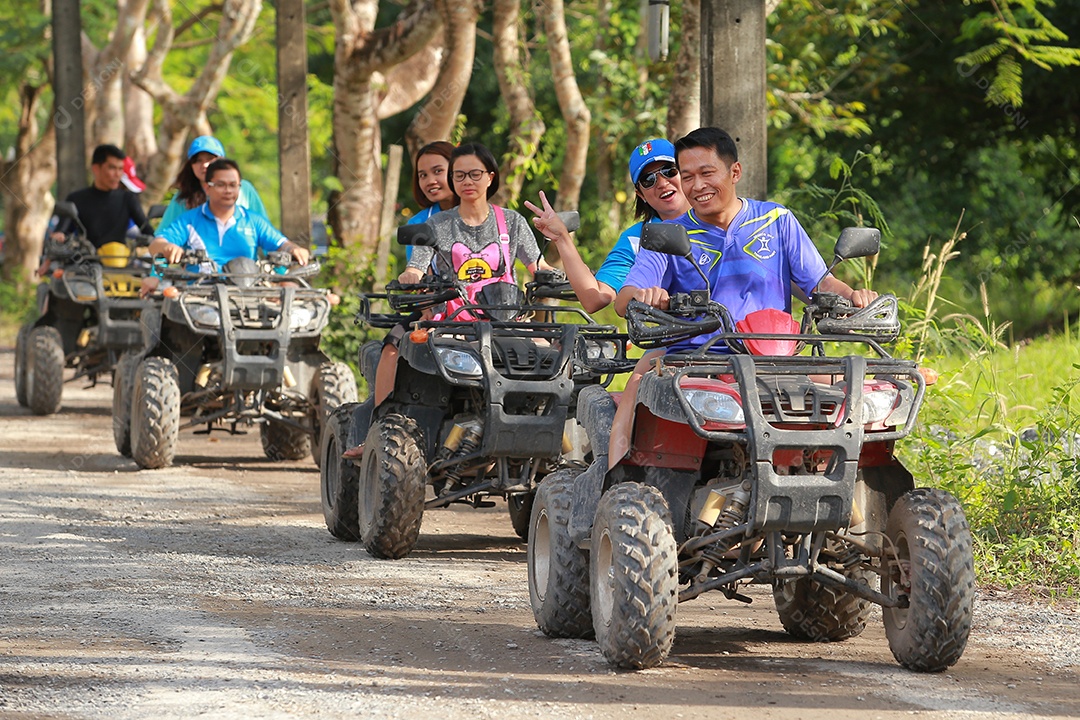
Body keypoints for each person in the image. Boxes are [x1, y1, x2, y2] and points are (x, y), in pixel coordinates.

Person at [606, 126, 878, 469]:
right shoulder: (668, 235)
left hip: (776, 360)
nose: (697, 186)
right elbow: (623, 299)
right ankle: (613, 480)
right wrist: (645, 295)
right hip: (700, 362)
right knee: (639, 411)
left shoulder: (777, 220)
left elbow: (820, 283)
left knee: (860, 405)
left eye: (707, 173)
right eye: (687, 176)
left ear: (735, 172)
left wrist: (853, 296)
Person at [342, 142, 547, 459]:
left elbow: (539, 269)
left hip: (504, 321)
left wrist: (561, 270)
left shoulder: (512, 222)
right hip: (447, 319)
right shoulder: (433, 224)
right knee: (397, 345)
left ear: (490, 177)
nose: (467, 181)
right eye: (459, 175)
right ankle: (380, 431)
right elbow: (416, 267)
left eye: (474, 174)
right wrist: (412, 276)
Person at [526, 138, 690, 313]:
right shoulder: (638, 239)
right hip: (678, 337)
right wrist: (562, 239)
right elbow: (596, 297)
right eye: (649, 180)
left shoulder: (718, 215)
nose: (662, 183)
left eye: (669, 171)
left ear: (686, 172)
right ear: (640, 194)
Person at [147, 158, 308, 272]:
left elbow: (281, 244)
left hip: (247, 296)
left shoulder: (253, 221)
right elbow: (155, 245)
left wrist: (294, 249)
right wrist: (167, 247)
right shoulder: (189, 220)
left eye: (233, 185)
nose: (228, 190)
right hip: (199, 299)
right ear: (207, 188)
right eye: (221, 185)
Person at [50, 144, 154, 250]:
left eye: (120, 169)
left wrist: (157, 241)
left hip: (121, 261)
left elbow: (147, 230)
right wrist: (59, 236)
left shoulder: (128, 199)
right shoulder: (76, 199)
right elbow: (61, 232)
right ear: (96, 168)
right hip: (85, 261)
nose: (117, 174)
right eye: (112, 168)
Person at [158, 135, 268, 233]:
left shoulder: (245, 189)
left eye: (210, 159)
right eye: (198, 160)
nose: (204, 165)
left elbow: (265, 231)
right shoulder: (183, 197)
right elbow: (163, 238)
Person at [403, 141, 458, 262]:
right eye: (423, 175)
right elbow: (416, 276)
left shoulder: (487, 218)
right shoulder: (417, 224)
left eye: (438, 171)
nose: (430, 181)